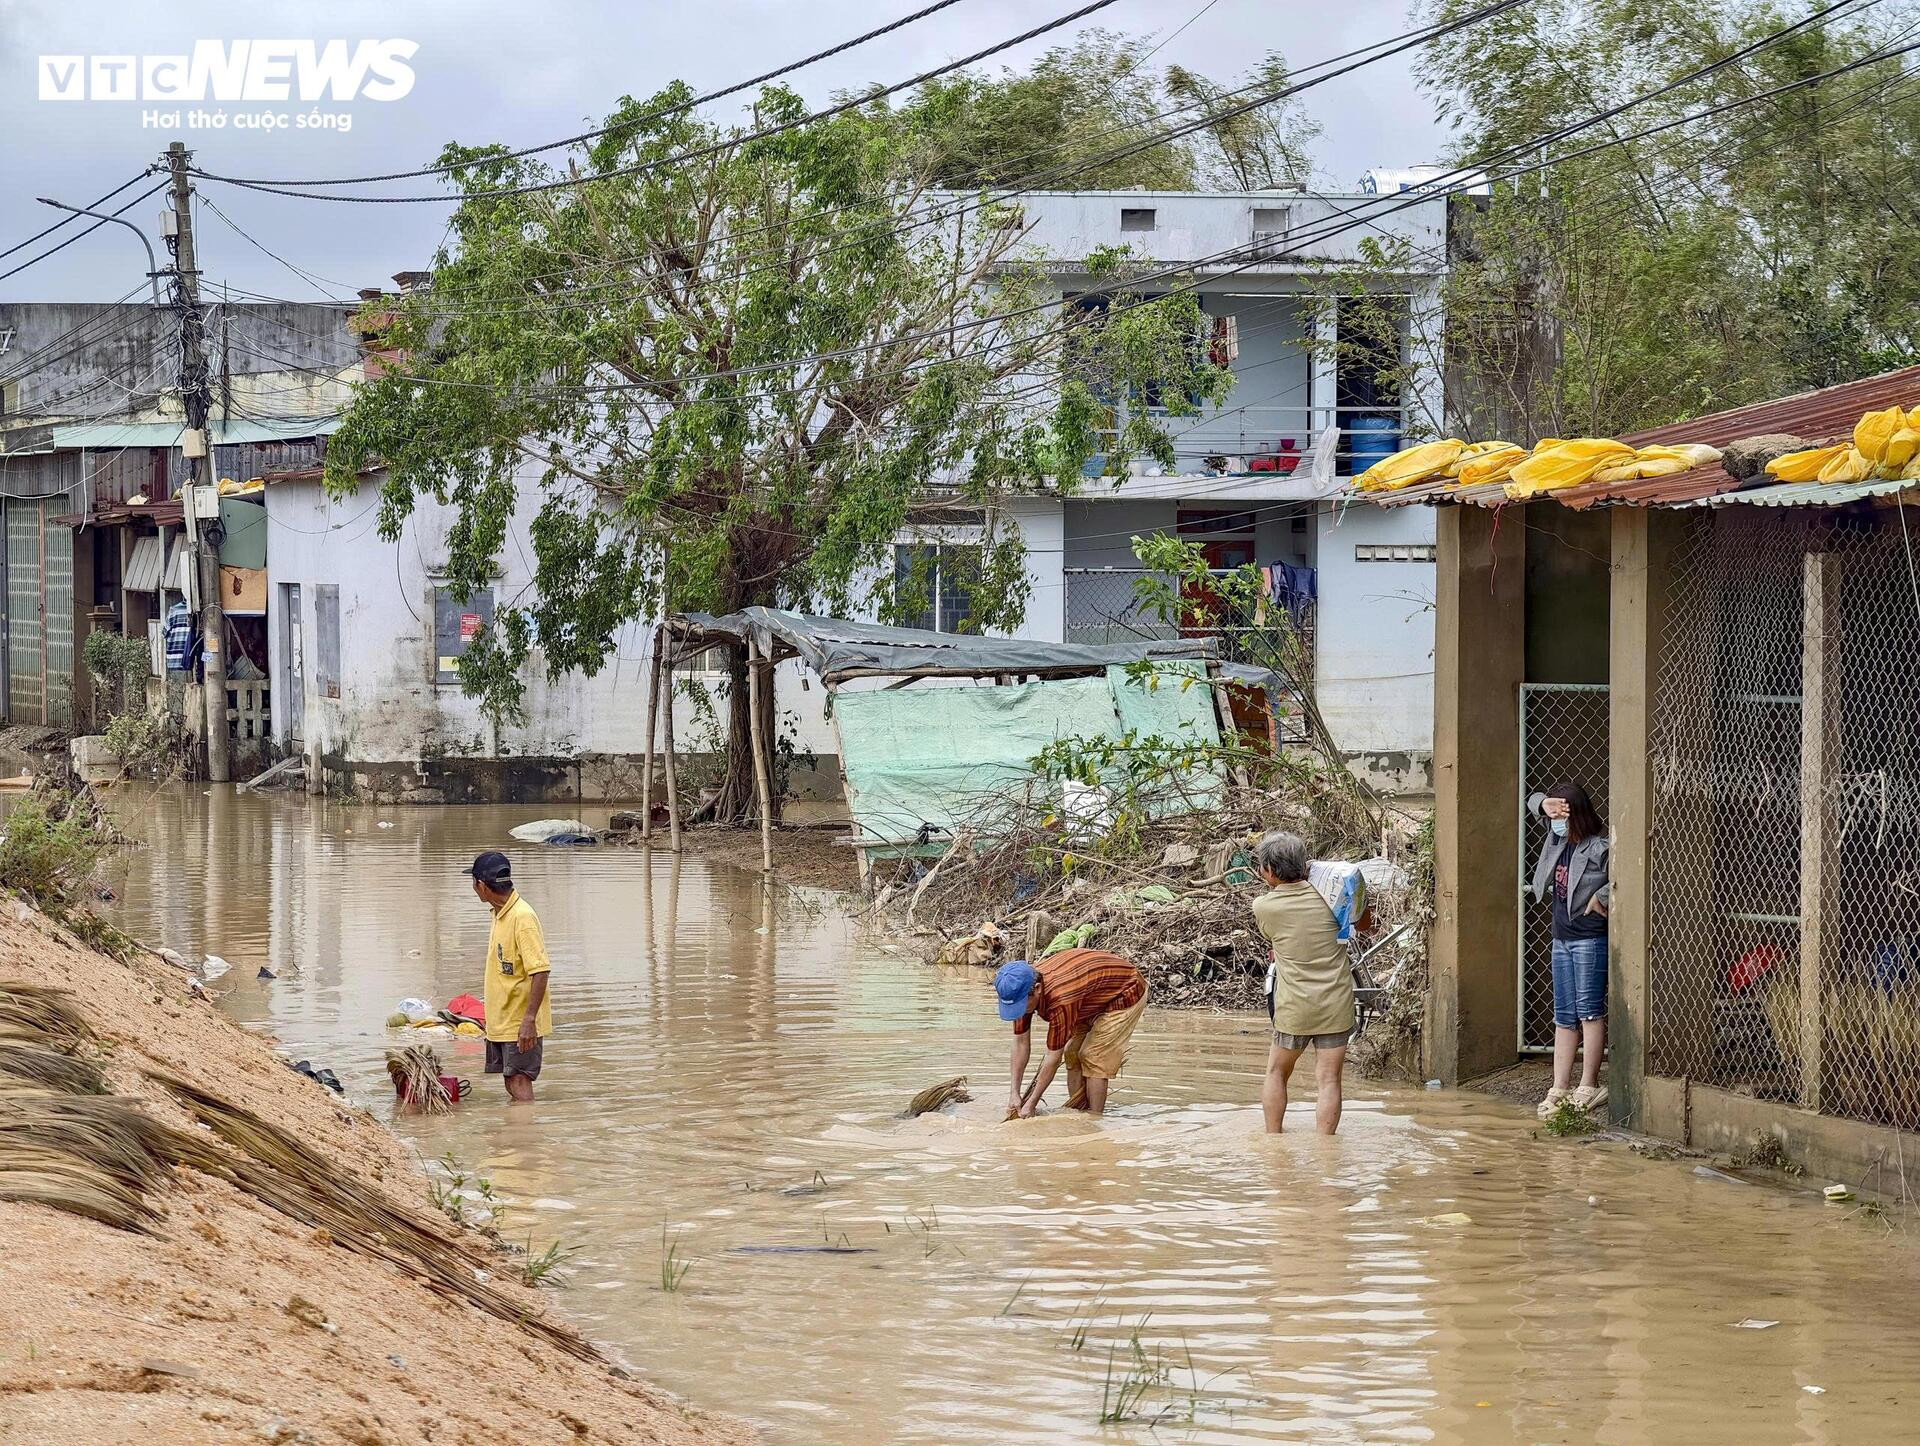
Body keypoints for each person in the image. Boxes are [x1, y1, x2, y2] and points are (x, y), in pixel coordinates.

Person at [1250, 830, 1354, 1136]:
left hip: (1294, 1007)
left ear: (1268, 871)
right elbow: (1364, 924)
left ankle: (1273, 1142)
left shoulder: (1264, 907)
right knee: (1330, 1080)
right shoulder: (1334, 899)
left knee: (1277, 1072)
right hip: (1336, 1005)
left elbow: (1276, 939)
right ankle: (1326, 1149)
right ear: (1305, 865)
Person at [1530, 782, 1610, 1118]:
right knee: (1564, 1016)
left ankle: (1589, 1085)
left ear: (1577, 814)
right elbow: (1532, 801)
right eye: (1554, 815)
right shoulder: (1558, 839)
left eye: (1563, 815)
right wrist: (1545, 804)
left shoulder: (1601, 845)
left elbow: (1625, 877)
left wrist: (1602, 898)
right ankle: (1559, 1087)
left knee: (1589, 1011)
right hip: (1561, 937)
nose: (1556, 822)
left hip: (1589, 937)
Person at [996, 948, 1147, 1118]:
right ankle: (1078, 1111)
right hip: (1089, 997)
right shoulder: (1019, 989)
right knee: (1072, 1053)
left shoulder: (1060, 999)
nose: (1019, 1010)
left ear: (1037, 989)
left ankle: (1094, 1120)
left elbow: (1053, 1058)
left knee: (1093, 1057)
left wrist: (1031, 1103)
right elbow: (1021, 1042)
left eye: (1021, 1005)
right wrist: (1014, 1093)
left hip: (1126, 991)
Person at [467, 850, 552, 1102]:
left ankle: (525, 1137)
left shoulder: (522, 917)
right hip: (502, 1018)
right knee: (510, 1078)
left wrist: (528, 1021)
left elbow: (540, 970)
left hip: (519, 1021)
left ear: (481, 885)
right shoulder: (499, 913)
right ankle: (517, 1134)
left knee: (519, 1078)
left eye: (473, 883)